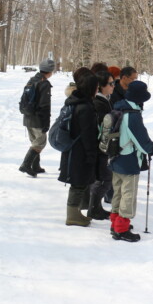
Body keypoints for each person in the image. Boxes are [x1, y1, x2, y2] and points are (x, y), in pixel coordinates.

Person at [109, 80, 153, 242]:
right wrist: (152, 148)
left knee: (118, 192)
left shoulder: (117, 108)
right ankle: (121, 229)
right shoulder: (132, 115)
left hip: (114, 156)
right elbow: (141, 141)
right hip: (128, 160)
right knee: (128, 194)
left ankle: (115, 222)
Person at [58, 74, 101, 227]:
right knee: (78, 183)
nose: (98, 89)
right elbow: (88, 134)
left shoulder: (74, 101)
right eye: (96, 86)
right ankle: (72, 215)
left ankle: (75, 213)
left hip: (72, 150)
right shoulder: (85, 107)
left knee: (78, 182)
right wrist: (91, 155)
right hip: (80, 152)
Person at [87, 70, 116, 220]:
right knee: (104, 178)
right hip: (100, 146)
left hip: (101, 146)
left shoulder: (104, 100)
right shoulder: (99, 103)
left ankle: (96, 207)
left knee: (103, 177)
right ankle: (93, 208)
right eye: (111, 84)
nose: (113, 86)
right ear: (101, 86)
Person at [19, 58, 55, 177]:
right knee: (39, 143)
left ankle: (35, 166)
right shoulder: (44, 84)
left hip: (28, 117)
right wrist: (46, 122)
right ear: (50, 71)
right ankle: (26, 164)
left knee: (34, 141)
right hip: (38, 119)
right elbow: (44, 106)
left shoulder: (32, 80)